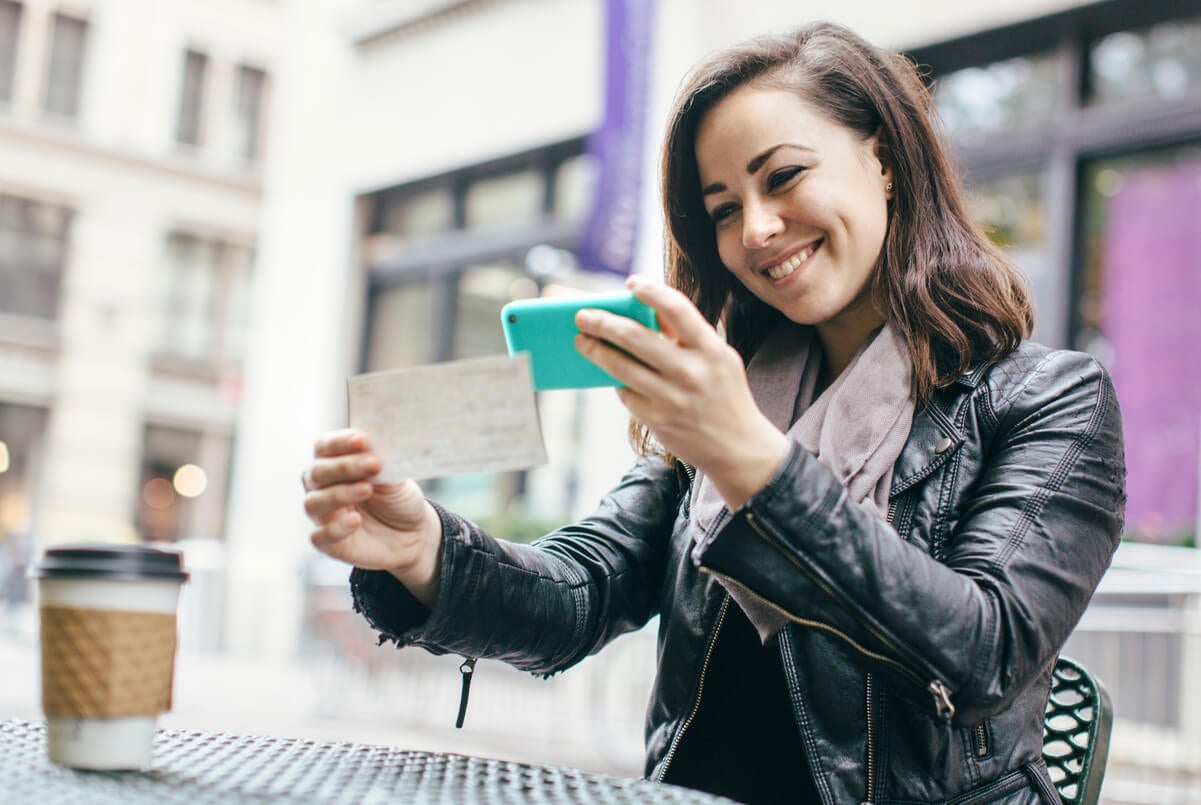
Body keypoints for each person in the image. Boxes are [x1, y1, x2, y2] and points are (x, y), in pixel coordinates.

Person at [301, 21, 1126, 805]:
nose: (757, 230)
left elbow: (982, 657)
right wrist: (427, 551)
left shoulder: (1050, 400)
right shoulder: (728, 393)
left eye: (783, 176)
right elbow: (582, 593)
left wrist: (751, 461)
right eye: (724, 208)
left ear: (881, 158)